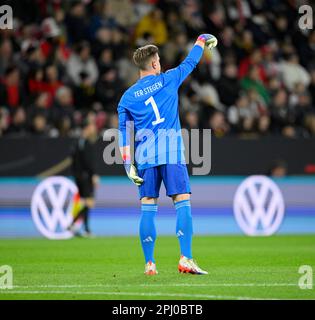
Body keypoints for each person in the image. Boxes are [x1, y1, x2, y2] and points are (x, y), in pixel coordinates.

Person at [117, 34, 217, 275]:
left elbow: (123, 132)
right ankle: (186, 258)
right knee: (182, 202)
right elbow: (190, 62)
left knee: (148, 206)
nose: (160, 62)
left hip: (146, 158)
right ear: (153, 64)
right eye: (159, 59)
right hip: (172, 152)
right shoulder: (168, 79)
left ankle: (150, 263)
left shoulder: (127, 97)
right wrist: (201, 40)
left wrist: (127, 164)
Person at [68, 119, 99, 237]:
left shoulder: (77, 143)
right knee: (89, 203)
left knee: (85, 202)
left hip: (78, 177)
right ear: (87, 129)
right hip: (85, 177)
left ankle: (85, 229)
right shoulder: (86, 143)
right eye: (92, 127)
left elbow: (73, 161)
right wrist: (93, 175)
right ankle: (74, 224)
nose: (94, 130)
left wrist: (76, 175)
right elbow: (88, 162)